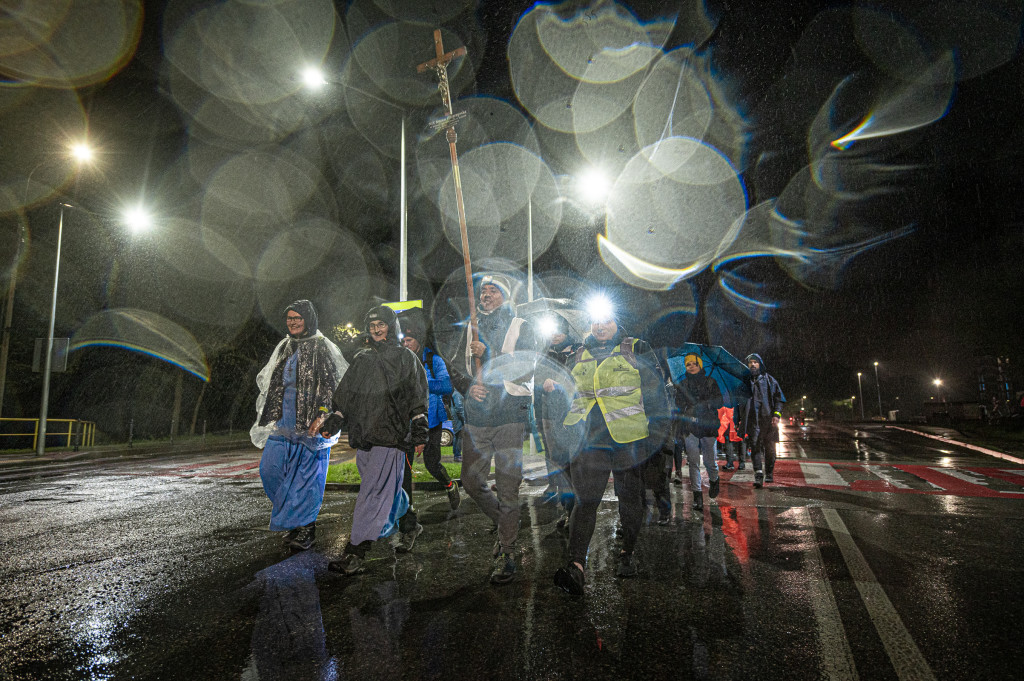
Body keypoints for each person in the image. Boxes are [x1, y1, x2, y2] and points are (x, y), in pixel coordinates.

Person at [552, 301, 669, 596]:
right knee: (586, 500)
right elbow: (566, 395)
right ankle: (576, 567)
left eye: (606, 321)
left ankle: (627, 553)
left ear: (617, 321)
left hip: (629, 439)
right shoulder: (578, 354)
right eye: (596, 322)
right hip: (588, 440)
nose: (601, 326)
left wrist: (660, 439)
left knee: (630, 500)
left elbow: (656, 394)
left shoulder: (636, 348)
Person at [319, 305, 429, 575]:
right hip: (364, 435)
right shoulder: (362, 359)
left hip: (391, 436)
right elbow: (347, 393)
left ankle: (356, 551)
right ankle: (409, 521)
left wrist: (419, 425)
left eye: (382, 324)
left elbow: (416, 394)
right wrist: (335, 418)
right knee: (383, 489)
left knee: (373, 493)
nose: (377, 329)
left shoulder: (406, 358)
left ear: (391, 326)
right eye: (372, 325)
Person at [448, 274, 537, 585]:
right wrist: (469, 386)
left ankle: (507, 550)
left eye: (493, 291)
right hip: (477, 418)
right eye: (483, 290)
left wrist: (490, 359)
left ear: (505, 296)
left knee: (508, 486)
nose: (486, 295)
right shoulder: (468, 328)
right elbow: (454, 366)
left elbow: (529, 365)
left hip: (510, 415)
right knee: (470, 480)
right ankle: (504, 520)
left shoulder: (520, 326)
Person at [250, 300, 348, 551]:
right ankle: (295, 518)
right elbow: (272, 381)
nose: (293, 322)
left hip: (312, 424)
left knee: (306, 478)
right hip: (284, 421)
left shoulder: (321, 346)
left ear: (309, 319)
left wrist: (323, 415)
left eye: (298, 318)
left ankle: (306, 527)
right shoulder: (285, 345)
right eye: (289, 318)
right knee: (270, 469)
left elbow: (330, 385)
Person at [399, 318, 462, 520]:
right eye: (403, 341)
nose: (405, 344)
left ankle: (450, 485)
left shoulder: (433, 360)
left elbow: (445, 386)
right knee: (405, 469)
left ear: (418, 340)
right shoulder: (399, 359)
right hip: (407, 422)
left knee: (431, 463)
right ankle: (407, 510)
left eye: (409, 340)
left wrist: (421, 380)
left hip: (431, 420)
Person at [535, 314, 581, 529]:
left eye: (558, 331)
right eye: (551, 331)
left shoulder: (579, 351)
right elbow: (536, 382)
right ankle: (567, 509)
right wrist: (542, 382)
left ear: (567, 331)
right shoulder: (544, 354)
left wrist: (561, 383)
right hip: (550, 414)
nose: (554, 336)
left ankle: (581, 511)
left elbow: (582, 379)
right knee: (559, 463)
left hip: (576, 413)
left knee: (578, 462)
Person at [675, 353, 724, 512]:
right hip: (690, 427)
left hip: (708, 427)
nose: (691, 366)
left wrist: (706, 403)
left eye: (694, 363)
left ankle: (714, 479)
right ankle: (697, 496)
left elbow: (719, 402)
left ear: (700, 365)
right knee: (693, 462)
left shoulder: (711, 382)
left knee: (710, 461)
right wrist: (688, 405)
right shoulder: (683, 383)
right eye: (688, 364)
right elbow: (678, 403)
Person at [740, 353, 786, 488]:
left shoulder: (770, 381)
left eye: (755, 362)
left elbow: (779, 399)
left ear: (760, 364)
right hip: (753, 421)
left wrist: (776, 415)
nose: (753, 364)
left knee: (770, 449)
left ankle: (769, 472)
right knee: (754, 447)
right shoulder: (745, 382)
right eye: (750, 362)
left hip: (768, 421)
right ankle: (758, 475)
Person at [718, 405, 745, 471]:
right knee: (730, 439)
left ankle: (738, 463)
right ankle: (734, 462)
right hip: (730, 418)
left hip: (734, 417)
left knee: (739, 440)